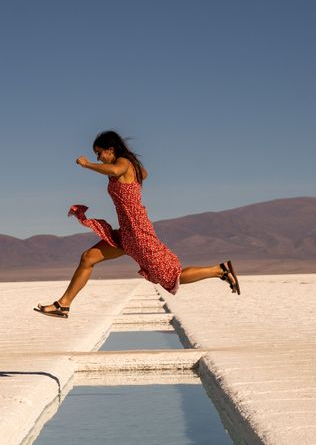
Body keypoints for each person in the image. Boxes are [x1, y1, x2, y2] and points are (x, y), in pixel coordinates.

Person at [35, 130, 240, 318]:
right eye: (96, 155)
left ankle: (219, 270)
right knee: (87, 258)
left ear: (111, 150)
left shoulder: (122, 162)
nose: (98, 158)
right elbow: (144, 173)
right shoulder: (128, 165)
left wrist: (88, 164)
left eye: (99, 153)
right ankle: (64, 304)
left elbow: (115, 170)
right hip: (127, 233)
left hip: (138, 232)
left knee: (171, 277)